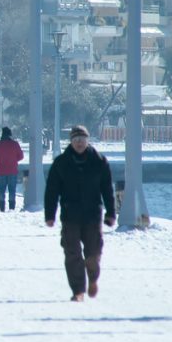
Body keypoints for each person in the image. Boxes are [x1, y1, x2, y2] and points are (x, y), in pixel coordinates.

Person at [44, 125, 115, 302]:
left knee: (93, 253)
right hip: (70, 215)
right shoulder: (61, 163)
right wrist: (50, 215)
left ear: (87, 140)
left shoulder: (99, 161)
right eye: (76, 140)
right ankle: (78, 290)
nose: (79, 143)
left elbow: (107, 189)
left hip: (93, 215)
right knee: (72, 253)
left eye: (82, 140)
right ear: (71, 142)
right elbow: (52, 190)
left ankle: (93, 278)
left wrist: (111, 213)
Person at [0, 126, 25, 212]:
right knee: (12, 190)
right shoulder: (15, 144)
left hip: (1, 171)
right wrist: (14, 160)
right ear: (10, 134)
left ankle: (2, 208)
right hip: (12, 170)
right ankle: (11, 207)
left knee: (2, 190)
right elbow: (21, 156)